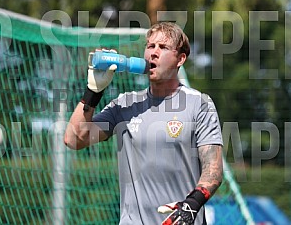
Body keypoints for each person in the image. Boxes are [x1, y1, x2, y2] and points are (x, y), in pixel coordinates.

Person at [64, 22, 223, 225]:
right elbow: (74, 139)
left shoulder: (199, 104)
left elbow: (214, 169)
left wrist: (191, 205)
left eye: (163, 47)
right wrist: (93, 91)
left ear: (180, 59)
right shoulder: (124, 105)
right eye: (150, 46)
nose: (153, 53)